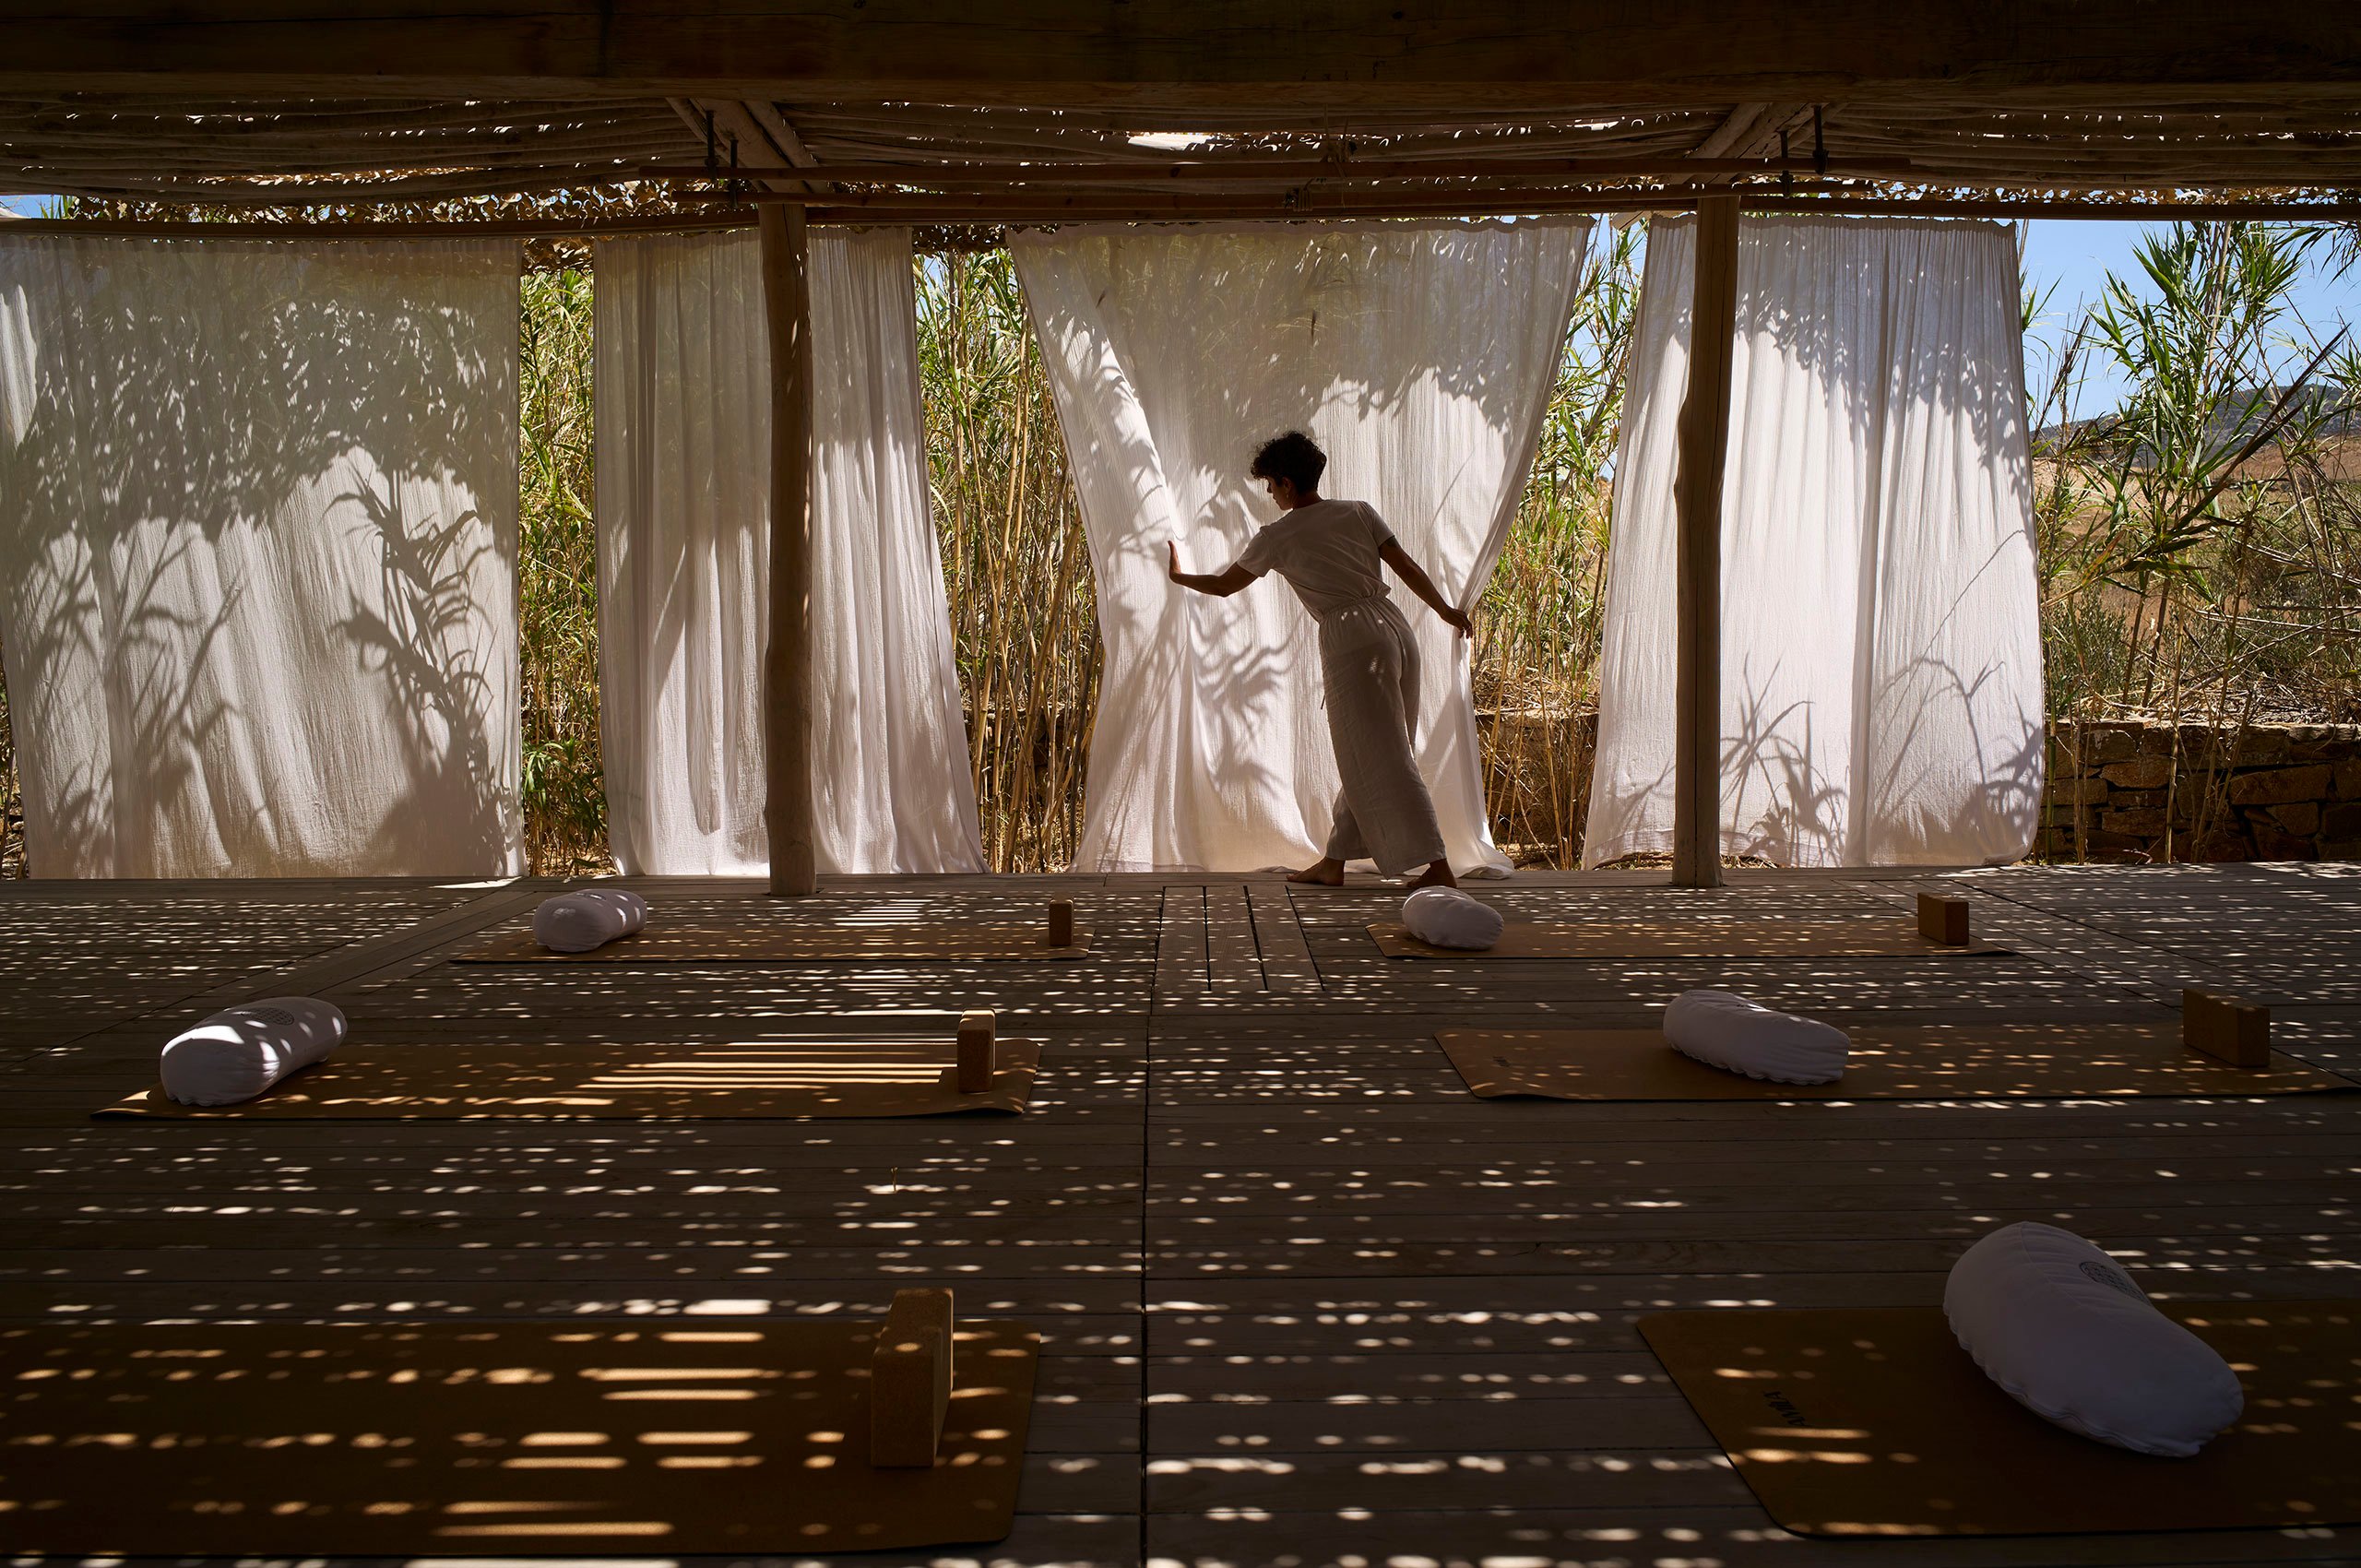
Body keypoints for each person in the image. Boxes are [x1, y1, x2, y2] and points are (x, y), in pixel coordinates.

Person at [1166, 431, 1469, 888]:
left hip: (1353, 638)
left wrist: (1179, 577)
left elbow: (1225, 585)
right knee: (1371, 750)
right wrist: (1444, 610)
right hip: (1396, 627)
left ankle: (1438, 867)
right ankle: (1335, 861)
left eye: (1270, 484)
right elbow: (1405, 566)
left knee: (1381, 756)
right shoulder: (1358, 511)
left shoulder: (1277, 535)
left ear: (1287, 483)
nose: (1269, 494)